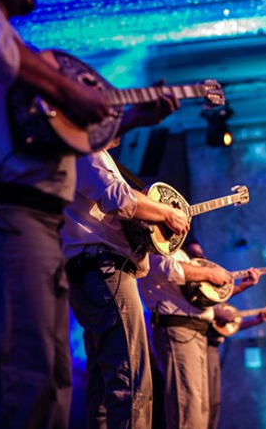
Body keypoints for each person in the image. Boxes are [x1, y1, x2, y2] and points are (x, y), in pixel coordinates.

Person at [0, 0, 128, 428]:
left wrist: (126, 118)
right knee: (24, 375)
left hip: (25, 222)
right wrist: (68, 89)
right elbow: (1, 54)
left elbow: (50, 137)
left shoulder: (6, 50)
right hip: (3, 217)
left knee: (47, 373)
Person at [61, 123, 194, 428]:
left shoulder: (70, 151)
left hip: (89, 274)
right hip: (107, 272)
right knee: (131, 384)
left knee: (104, 389)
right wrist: (167, 213)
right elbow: (116, 197)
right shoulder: (87, 148)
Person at [138, 238, 259, 429]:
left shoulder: (183, 256)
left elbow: (205, 297)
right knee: (188, 407)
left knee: (201, 409)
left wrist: (241, 286)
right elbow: (169, 268)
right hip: (177, 329)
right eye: (197, 254)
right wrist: (211, 272)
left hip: (196, 331)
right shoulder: (157, 249)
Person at [206, 306, 266, 429]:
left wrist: (255, 322)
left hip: (214, 347)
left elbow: (225, 327)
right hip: (202, 347)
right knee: (203, 403)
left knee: (213, 404)